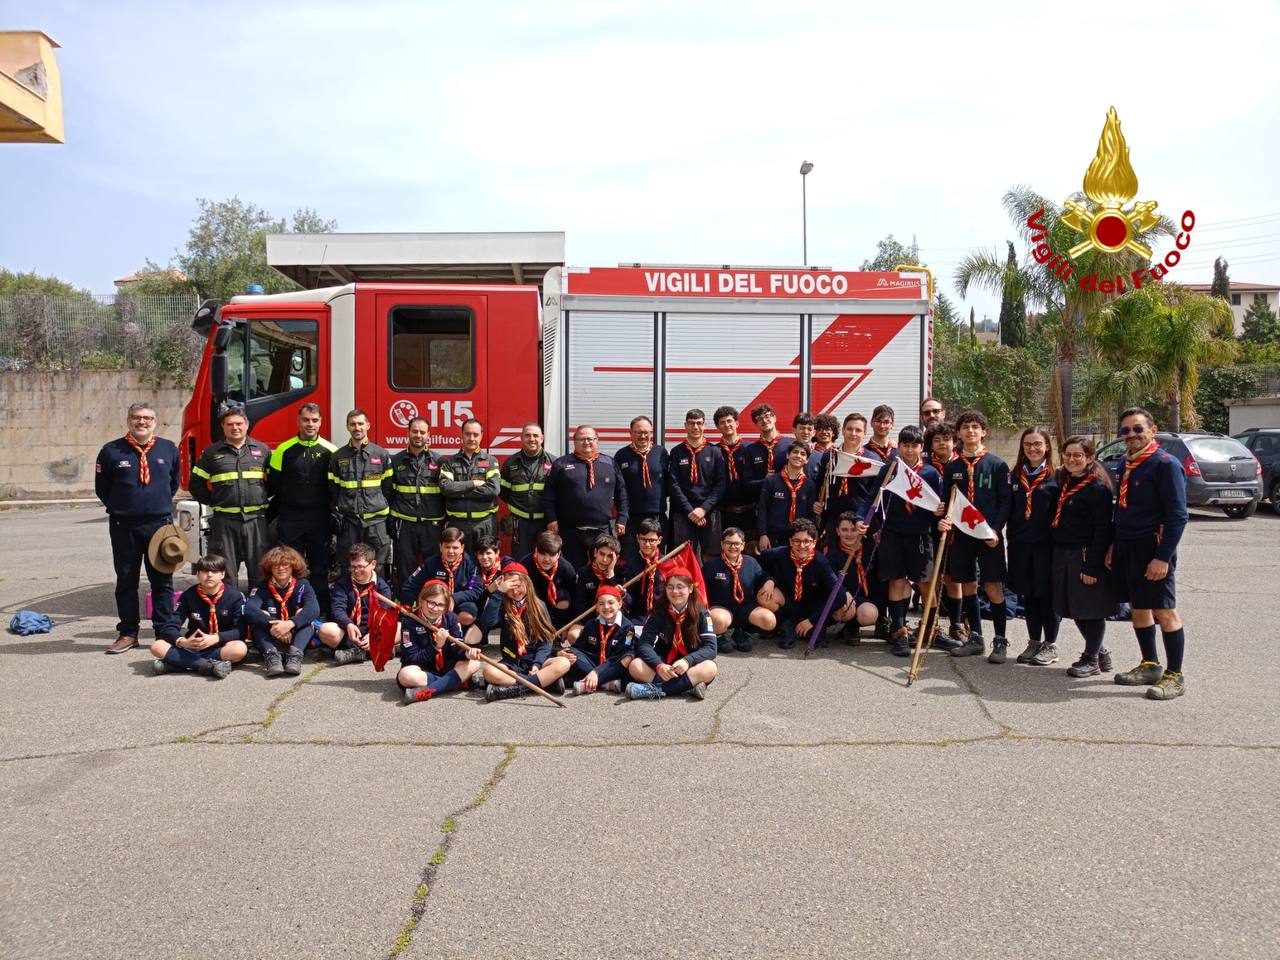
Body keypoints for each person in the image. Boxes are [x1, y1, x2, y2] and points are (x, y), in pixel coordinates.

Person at [1107, 407, 1190, 700]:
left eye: (1138, 429)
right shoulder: (1126, 464)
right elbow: (1123, 509)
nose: (1131, 435)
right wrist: (1114, 545)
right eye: (1126, 430)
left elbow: (1178, 515)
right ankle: (1150, 664)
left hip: (1153, 548)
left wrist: (1162, 557)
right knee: (1139, 608)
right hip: (1127, 545)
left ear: (1152, 431)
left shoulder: (1165, 464)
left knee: (1164, 610)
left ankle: (1174, 675)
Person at [96, 401, 181, 653]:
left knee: (162, 582)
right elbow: (103, 489)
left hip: (159, 525)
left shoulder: (168, 448)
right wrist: (126, 507)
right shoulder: (111, 451)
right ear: (128, 420)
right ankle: (128, 633)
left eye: (146, 418)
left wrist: (154, 505)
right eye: (136, 417)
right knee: (126, 580)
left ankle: (164, 632)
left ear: (155, 421)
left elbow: (173, 483)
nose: (141, 422)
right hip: (124, 526)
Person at [941, 410, 1011, 660]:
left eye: (975, 427)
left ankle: (1000, 640)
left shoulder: (997, 464)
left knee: (992, 585)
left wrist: (996, 529)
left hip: (988, 535)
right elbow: (946, 501)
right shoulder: (953, 467)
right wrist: (945, 517)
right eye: (965, 427)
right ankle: (976, 637)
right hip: (961, 536)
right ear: (958, 433)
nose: (970, 431)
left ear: (983, 431)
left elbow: (1006, 501)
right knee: (968, 583)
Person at [872, 426, 943, 656]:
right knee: (897, 581)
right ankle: (900, 631)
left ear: (921, 448)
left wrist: (940, 511)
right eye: (905, 445)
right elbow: (874, 498)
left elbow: (939, 505)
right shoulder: (890, 468)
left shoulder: (931, 473)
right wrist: (867, 522)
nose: (910, 449)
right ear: (898, 446)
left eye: (914, 445)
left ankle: (930, 629)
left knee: (925, 583)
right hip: (893, 533)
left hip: (920, 535)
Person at [1051, 437, 1117, 678]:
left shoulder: (1097, 488)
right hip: (1064, 552)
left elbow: (1103, 531)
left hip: (1085, 554)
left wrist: (1093, 567)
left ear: (1090, 458)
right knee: (1075, 607)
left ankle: (1091, 659)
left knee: (1091, 609)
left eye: (1078, 455)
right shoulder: (1065, 481)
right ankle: (1100, 651)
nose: (1072, 459)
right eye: (1068, 454)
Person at [190, 403, 271, 588]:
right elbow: (196, 484)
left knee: (259, 567)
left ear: (247, 425)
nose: (235, 428)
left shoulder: (262, 450)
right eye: (230, 424)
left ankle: (257, 608)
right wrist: (214, 501)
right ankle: (230, 607)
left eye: (239, 424)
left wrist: (261, 497)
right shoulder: (211, 453)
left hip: (256, 519)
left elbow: (273, 482)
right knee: (225, 568)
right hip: (225, 520)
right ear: (223, 427)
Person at [268, 403, 336, 608]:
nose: (310, 424)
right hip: (291, 517)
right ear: (298, 421)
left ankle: (320, 609)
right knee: (289, 564)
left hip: (319, 518)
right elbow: (275, 484)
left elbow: (333, 486)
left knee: (319, 566)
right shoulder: (283, 450)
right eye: (306, 420)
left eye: (314, 420)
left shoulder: (330, 451)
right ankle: (289, 607)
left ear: (321, 422)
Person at [1007, 427, 1061, 666]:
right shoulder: (1015, 475)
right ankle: (1034, 642)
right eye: (1028, 444)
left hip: (1046, 547)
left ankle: (1051, 644)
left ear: (1047, 447)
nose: (1032, 448)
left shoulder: (1057, 477)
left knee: (1046, 596)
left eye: (1037, 444)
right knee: (1028, 596)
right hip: (1020, 546)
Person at [477, 564, 572, 700]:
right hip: (512, 662)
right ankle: (545, 683)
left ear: (527, 584)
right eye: (511, 587)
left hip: (537, 661)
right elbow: (487, 623)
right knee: (488, 671)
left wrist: (537, 664)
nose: (515, 591)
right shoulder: (501, 604)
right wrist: (498, 593)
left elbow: (546, 641)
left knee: (563, 663)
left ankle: (513, 690)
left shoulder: (539, 605)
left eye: (519, 586)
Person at [758, 518, 854, 649]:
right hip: (789, 604)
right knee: (764, 595)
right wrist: (769, 580)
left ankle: (819, 626)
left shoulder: (821, 562)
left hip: (813, 607)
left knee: (845, 607)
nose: (801, 546)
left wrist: (812, 621)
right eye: (797, 541)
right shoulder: (776, 554)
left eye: (806, 541)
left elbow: (839, 595)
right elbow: (757, 568)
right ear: (790, 541)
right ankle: (785, 623)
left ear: (814, 543)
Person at [544, 425, 628, 570]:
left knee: (604, 569)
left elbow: (622, 493)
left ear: (597, 440)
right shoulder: (562, 464)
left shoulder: (610, 463)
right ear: (574, 441)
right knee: (572, 571)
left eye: (590, 439)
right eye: (581, 439)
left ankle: (603, 593)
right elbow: (549, 494)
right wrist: (551, 518)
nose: (586, 442)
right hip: (571, 531)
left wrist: (622, 518)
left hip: (601, 530)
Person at [627, 568, 718, 700]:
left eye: (680, 587)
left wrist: (687, 661)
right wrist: (659, 665)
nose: (675, 592)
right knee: (635, 666)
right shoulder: (658, 612)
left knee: (710, 668)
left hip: (691, 665)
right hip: (665, 664)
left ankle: (655, 690)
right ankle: (686, 687)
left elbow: (711, 648)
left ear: (690, 588)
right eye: (670, 587)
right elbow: (644, 644)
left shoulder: (702, 614)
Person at [149, 554, 246, 679]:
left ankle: (179, 664)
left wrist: (216, 638)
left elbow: (241, 630)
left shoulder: (235, 596)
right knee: (157, 646)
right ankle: (208, 666)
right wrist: (182, 641)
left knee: (239, 649)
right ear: (198, 574)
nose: (209, 575)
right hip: (193, 645)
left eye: (214, 571)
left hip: (220, 646)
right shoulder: (188, 595)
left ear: (222, 574)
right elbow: (170, 626)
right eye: (205, 571)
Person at [329, 409, 393, 573]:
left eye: (360, 423)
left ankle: (375, 599)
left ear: (368, 426)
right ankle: (350, 599)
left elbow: (388, 488)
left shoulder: (381, 454)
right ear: (348, 427)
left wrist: (379, 506)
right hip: (350, 522)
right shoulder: (338, 457)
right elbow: (333, 489)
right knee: (349, 566)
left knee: (376, 566)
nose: (357, 428)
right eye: (353, 424)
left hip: (376, 523)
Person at [399, 580, 483, 704]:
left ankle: (428, 691)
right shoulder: (409, 621)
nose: (435, 609)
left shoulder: (451, 618)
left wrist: (467, 653)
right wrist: (436, 646)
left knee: (474, 663)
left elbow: (456, 649)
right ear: (422, 600)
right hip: (424, 669)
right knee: (405, 675)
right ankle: (456, 682)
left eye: (440, 605)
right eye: (431, 603)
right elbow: (412, 657)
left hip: (448, 667)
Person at [244, 545, 321, 678]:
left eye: (285, 564)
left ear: (293, 566)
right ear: (270, 568)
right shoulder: (262, 586)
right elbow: (249, 609)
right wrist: (274, 624)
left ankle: (294, 657)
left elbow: (314, 609)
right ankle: (272, 658)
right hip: (271, 635)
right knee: (258, 620)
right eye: (276, 565)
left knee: (307, 619)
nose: (281, 568)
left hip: (296, 636)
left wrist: (290, 624)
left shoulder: (303, 584)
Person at [387, 417, 443, 590]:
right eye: (415, 431)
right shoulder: (395, 461)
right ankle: (406, 607)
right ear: (408, 433)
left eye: (422, 432)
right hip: (404, 525)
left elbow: (446, 494)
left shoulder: (439, 461)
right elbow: (388, 493)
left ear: (428, 435)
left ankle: (432, 604)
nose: (418, 435)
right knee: (405, 567)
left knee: (434, 567)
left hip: (432, 525)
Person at [703, 526, 776, 653]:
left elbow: (764, 576)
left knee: (769, 620)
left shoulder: (751, 562)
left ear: (743, 545)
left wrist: (770, 582)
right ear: (722, 544)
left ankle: (743, 633)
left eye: (737, 543)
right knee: (719, 620)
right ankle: (719, 637)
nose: (732, 547)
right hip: (721, 608)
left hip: (746, 607)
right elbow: (701, 589)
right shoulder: (711, 565)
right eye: (728, 543)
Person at [319, 542, 393, 666]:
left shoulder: (382, 587)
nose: (356, 571)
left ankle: (355, 652)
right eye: (353, 567)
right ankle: (370, 651)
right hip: (350, 631)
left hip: (374, 631)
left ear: (373, 564)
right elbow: (337, 609)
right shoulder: (343, 583)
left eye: (361, 566)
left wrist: (373, 634)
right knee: (325, 630)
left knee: (399, 628)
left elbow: (384, 615)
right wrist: (348, 624)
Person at [667, 408, 726, 560]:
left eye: (699, 423)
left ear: (704, 425)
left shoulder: (715, 452)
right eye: (691, 423)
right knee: (683, 557)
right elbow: (673, 485)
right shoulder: (676, 452)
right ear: (685, 425)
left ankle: (708, 584)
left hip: (709, 512)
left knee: (710, 556)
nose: (695, 427)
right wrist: (690, 511)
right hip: (683, 513)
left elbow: (720, 485)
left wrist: (703, 509)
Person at [399, 526, 483, 627]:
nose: (451, 551)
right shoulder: (430, 563)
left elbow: (475, 589)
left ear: (462, 548)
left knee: (468, 615)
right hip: (434, 605)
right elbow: (411, 585)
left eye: (455, 547)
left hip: (458, 603)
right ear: (440, 547)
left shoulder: (471, 564)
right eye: (447, 547)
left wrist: (453, 598)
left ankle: (454, 629)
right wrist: (406, 608)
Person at [439, 418, 501, 551]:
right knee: (459, 564)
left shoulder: (490, 461)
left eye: (475, 434)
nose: (471, 438)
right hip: (457, 525)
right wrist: (472, 483)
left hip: (485, 524)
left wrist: (459, 491)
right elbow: (446, 488)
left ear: (481, 436)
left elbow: (493, 490)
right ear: (461, 435)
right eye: (467, 434)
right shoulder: (449, 462)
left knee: (484, 563)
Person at [565, 584, 636, 695]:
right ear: (597, 607)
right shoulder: (591, 624)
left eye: (611, 603)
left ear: (620, 604)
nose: (606, 607)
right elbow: (578, 647)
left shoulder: (629, 628)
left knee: (628, 657)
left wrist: (596, 672)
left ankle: (590, 683)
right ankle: (606, 683)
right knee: (571, 653)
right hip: (594, 662)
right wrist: (566, 652)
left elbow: (619, 654)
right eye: (601, 604)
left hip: (613, 664)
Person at [614, 416, 668, 561]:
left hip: (657, 516)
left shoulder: (662, 453)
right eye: (638, 432)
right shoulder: (621, 455)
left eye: (646, 432)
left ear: (651, 433)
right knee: (630, 559)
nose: (642, 436)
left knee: (656, 559)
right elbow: (618, 488)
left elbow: (670, 484)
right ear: (630, 433)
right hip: (631, 518)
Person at [499, 422, 554, 561]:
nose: (532, 439)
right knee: (521, 561)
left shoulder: (554, 462)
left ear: (542, 438)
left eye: (535, 435)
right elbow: (503, 491)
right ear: (521, 438)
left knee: (547, 559)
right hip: (521, 523)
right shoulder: (511, 463)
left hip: (545, 522)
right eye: (527, 435)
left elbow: (559, 493)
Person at [826, 512, 881, 643]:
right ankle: (845, 625)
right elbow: (830, 582)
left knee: (869, 614)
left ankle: (853, 625)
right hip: (843, 598)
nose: (849, 534)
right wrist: (844, 593)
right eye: (844, 530)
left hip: (864, 599)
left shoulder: (871, 549)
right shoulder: (832, 554)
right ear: (838, 531)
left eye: (853, 530)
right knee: (845, 610)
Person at [567, 533, 629, 642]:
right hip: (589, 619)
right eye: (602, 554)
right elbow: (580, 604)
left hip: (612, 618)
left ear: (616, 558)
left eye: (610, 556)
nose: (604, 560)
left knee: (627, 639)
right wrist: (594, 624)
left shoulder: (620, 573)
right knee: (573, 634)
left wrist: (611, 575)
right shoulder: (584, 572)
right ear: (595, 552)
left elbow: (628, 602)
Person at [757, 440, 817, 550]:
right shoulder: (772, 481)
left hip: (799, 539)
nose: (798, 456)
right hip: (774, 537)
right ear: (788, 455)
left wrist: (810, 537)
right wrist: (763, 534)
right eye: (795, 452)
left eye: (803, 454)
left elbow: (811, 515)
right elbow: (762, 509)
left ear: (807, 460)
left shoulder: (810, 486)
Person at [744, 404, 793, 530]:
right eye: (759, 419)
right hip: (763, 507)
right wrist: (765, 480)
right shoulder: (751, 449)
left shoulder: (791, 444)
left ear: (775, 418)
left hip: (789, 504)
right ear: (756, 424)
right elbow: (747, 483)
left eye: (767, 416)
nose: (764, 421)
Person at [713, 406, 756, 543]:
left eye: (729, 421)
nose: (727, 425)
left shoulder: (751, 448)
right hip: (723, 513)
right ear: (717, 427)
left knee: (749, 550)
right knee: (725, 550)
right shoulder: (714, 451)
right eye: (722, 422)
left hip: (749, 512)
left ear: (737, 423)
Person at [467, 534, 517, 645]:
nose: (484, 557)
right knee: (469, 641)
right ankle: (482, 634)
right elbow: (474, 596)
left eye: (488, 553)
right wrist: (489, 590)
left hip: (505, 610)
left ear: (497, 553)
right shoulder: (474, 570)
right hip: (483, 612)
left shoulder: (507, 567)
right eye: (481, 554)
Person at [522, 530, 576, 629]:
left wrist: (569, 625)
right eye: (543, 553)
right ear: (536, 550)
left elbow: (574, 595)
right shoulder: (526, 564)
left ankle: (558, 629)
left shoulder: (566, 568)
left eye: (551, 555)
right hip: (534, 601)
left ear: (558, 554)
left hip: (556, 604)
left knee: (564, 599)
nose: (546, 559)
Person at [620, 517, 666, 625]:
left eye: (652, 540)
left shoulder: (667, 563)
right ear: (637, 538)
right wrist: (624, 595)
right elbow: (630, 599)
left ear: (659, 540)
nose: (647, 544)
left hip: (662, 615)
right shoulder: (630, 564)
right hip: (638, 617)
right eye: (643, 539)